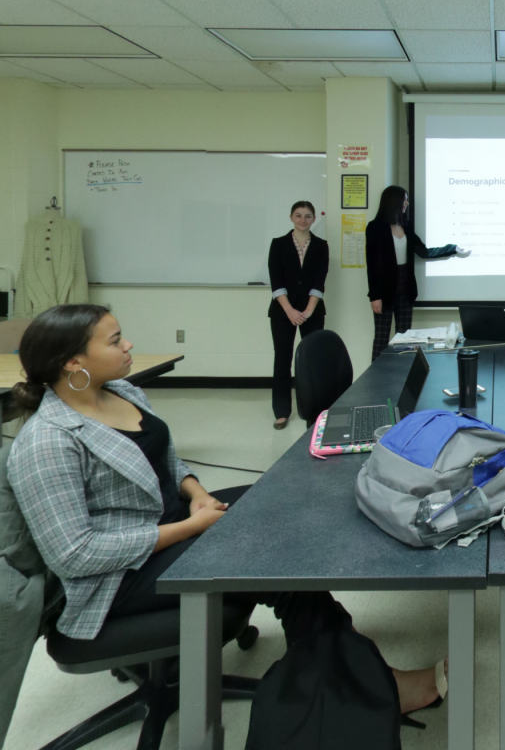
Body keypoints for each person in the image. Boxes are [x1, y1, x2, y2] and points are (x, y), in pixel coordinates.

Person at [5, 304, 445, 715]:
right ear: (73, 362)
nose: (128, 345)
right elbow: (76, 555)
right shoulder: (47, 441)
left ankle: (336, 666)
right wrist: (191, 527)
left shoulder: (120, 391)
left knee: (276, 503)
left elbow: (165, 460)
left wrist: (195, 491)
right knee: (272, 555)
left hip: (173, 520)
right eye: (115, 340)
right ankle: (371, 687)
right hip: (117, 578)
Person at [365, 186, 467, 360]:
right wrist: (374, 296)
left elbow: (424, 252)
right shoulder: (375, 227)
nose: (407, 203)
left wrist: (452, 248)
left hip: (406, 288)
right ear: (394, 201)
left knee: (406, 338)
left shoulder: (406, 226)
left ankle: (403, 371)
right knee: (381, 338)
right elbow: (372, 264)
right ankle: (377, 374)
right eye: (404, 199)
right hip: (384, 290)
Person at [268, 201, 329, 429]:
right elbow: (276, 282)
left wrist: (309, 310)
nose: (303, 220)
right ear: (291, 217)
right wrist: (290, 311)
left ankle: (314, 411)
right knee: (282, 359)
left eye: (308, 216)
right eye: (298, 215)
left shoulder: (321, 245)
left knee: (312, 361)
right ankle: (281, 411)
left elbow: (319, 281)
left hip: (312, 310)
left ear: (313, 219)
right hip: (283, 310)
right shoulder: (278, 244)